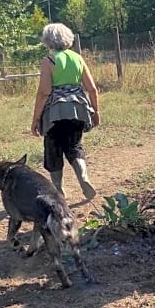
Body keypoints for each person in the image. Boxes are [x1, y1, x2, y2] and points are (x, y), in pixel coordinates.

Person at [31, 23, 100, 200]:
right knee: (74, 145)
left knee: (53, 148)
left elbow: (44, 91)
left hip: (55, 112)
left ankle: (58, 189)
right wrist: (96, 111)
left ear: (47, 40)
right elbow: (92, 89)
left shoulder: (49, 61)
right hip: (78, 109)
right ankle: (84, 178)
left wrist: (36, 118)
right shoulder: (77, 58)